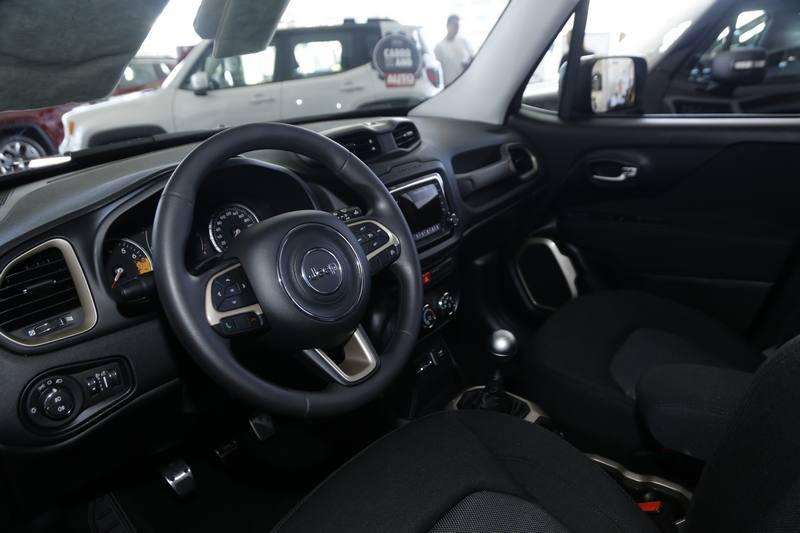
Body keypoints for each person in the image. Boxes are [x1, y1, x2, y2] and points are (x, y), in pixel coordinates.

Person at [434, 14, 474, 86]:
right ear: (447, 26)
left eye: (458, 25)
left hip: (467, 82)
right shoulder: (439, 47)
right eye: (454, 25)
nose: (457, 28)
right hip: (451, 84)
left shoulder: (463, 41)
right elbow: (440, 69)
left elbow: (472, 58)